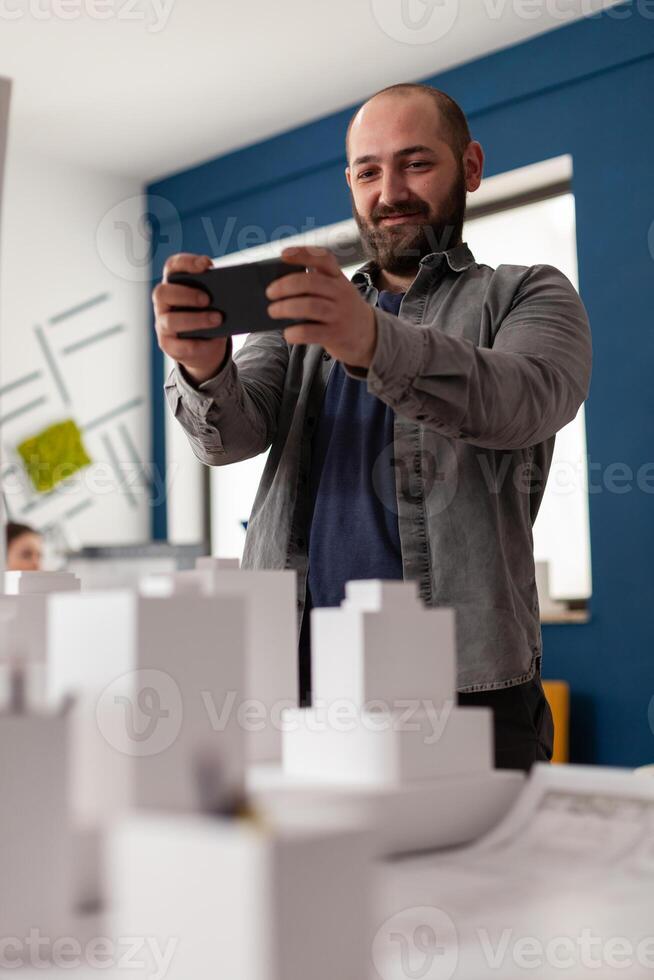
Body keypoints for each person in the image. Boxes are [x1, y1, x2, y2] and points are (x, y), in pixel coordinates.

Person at [152, 83, 592, 771]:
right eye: (368, 171)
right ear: (350, 184)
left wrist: (371, 341)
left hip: (464, 689)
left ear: (470, 167)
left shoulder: (530, 292)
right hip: (289, 683)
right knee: (303, 878)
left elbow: (523, 401)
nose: (391, 191)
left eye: (417, 163)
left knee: (473, 883)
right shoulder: (297, 311)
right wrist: (202, 365)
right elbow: (227, 437)